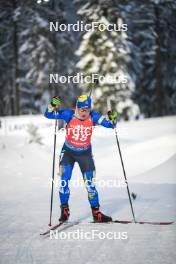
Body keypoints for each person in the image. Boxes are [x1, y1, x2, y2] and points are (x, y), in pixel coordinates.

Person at [44, 95, 118, 222]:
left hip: (85, 154)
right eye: (82, 109)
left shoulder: (94, 117)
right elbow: (48, 115)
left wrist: (113, 117)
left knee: (90, 184)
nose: (84, 112)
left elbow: (111, 125)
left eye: (87, 109)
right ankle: (65, 210)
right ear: (77, 107)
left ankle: (96, 213)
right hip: (68, 152)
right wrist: (52, 105)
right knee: (64, 181)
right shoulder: (69, 114)